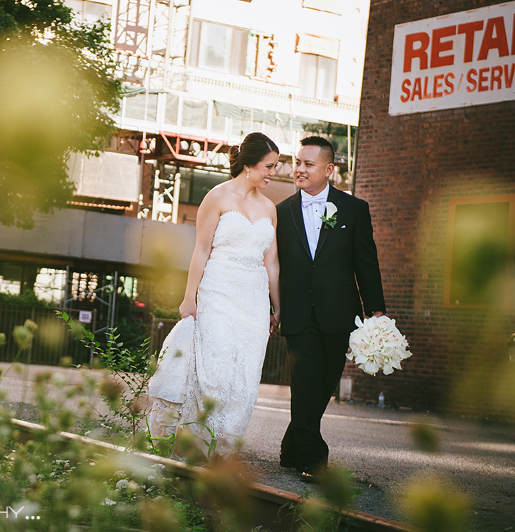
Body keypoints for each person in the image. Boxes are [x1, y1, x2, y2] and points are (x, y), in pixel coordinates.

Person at [147, 132, 281, 456]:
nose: (273, 173)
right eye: (269, 166)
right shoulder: (216, 197)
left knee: (245, 376)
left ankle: (223, 450)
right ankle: (192, 444)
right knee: (215, 370)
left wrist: (277, 307)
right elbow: (201, 251)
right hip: (218, 291)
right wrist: (189, 297)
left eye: (275, 167)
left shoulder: (270, 207)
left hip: (253, 300)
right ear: (249, 165)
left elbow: (272, 262)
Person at [275, 136, 385, 480]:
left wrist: (376, 310)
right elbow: (273, 265)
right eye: (297, 162)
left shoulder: (353, 210)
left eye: (308, 164)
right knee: (305, 382)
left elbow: (366, 264)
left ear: (329, 169)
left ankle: (292, 448)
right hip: (297, 314)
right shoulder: (280, 213)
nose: (299, 169)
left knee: (322, 386)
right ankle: (313, 460)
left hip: (339, 314)